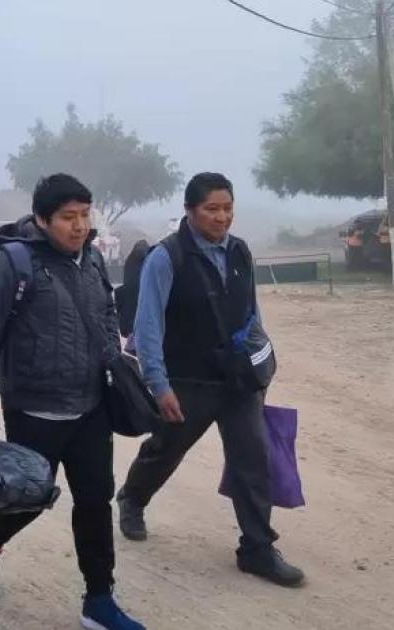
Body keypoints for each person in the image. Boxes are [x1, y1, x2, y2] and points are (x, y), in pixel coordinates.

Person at [0, 174, 144, 630]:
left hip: (90, 406)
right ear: (43, 219)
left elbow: (106, 312)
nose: (80, 225)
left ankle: (98, 601)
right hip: (33, 408)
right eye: (68, 217)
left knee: (95, 502)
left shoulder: (93, 261)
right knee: (28, 499)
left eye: (85, 215)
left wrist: (115, 360)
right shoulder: (14, 263)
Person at [117, 172, 305, 588]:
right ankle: (132, 499)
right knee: (166, 450)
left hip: (237, 382)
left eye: (227, 208)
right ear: (190, 211)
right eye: (212, 209)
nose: (222, 218)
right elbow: (148, 327)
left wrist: (261, 366)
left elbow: (251, 313)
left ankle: (256, 549)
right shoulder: (167, 258)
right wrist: (159, 385)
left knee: (252, 461)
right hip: (187, 381)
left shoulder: (240, 251)